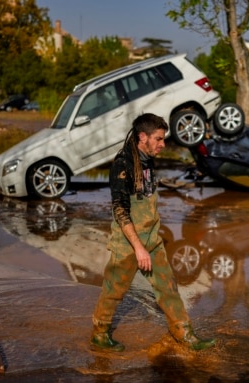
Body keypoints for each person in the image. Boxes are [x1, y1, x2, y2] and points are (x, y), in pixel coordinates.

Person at [91, 113, 216, 352]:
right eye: (158, 139)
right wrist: (138, 248)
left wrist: (151, 242)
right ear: (142, 137)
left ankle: (184, 333)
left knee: (167, 287)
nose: (163, 144)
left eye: (163, 139)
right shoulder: (123, 164)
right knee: (114, 291)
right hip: (128, 243)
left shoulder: (147, 159)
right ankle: (99, 334)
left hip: (152, 239)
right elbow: (120, 210)